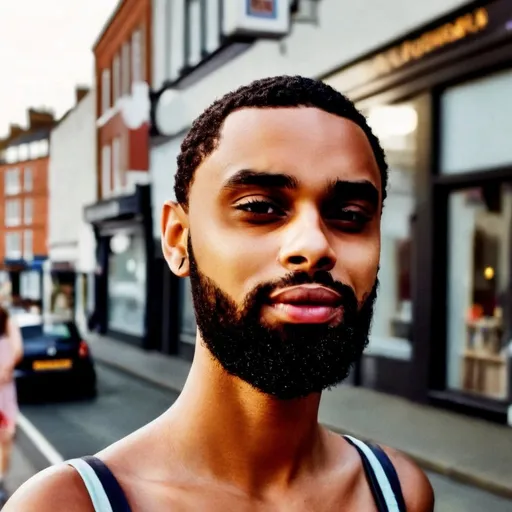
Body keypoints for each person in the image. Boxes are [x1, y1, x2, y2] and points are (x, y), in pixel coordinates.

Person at [5, 76, 434, 511]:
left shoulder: (398, 492)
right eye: (259, 208)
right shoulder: (64, 505)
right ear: (177, 239)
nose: (314, 245)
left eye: (350, 214)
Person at [0, 306, 23, 504]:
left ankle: (0, 480)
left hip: (4, 390)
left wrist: (5, 370)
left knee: (5, 436)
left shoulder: (6, 320)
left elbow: (17, 350)